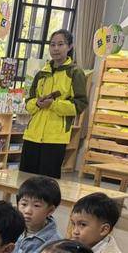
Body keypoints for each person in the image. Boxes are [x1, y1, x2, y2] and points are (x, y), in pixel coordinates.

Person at [20, 29, 88, 179]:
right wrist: (37, 103)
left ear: (69, 47)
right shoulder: (41, 73)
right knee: (24, 180)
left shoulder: (75, 73)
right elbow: (28, 103)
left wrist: (53, 104)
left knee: (46, 184)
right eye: (52, 45)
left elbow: (80, 105)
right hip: (32, 136)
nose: (55, 48)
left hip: (55, 138)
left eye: (60, 44)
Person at [9, 176, 62, 253]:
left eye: (36, 205)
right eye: (24, 204)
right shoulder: (12, 226)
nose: (27, 211)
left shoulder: (53, 244)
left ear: (50, 210)